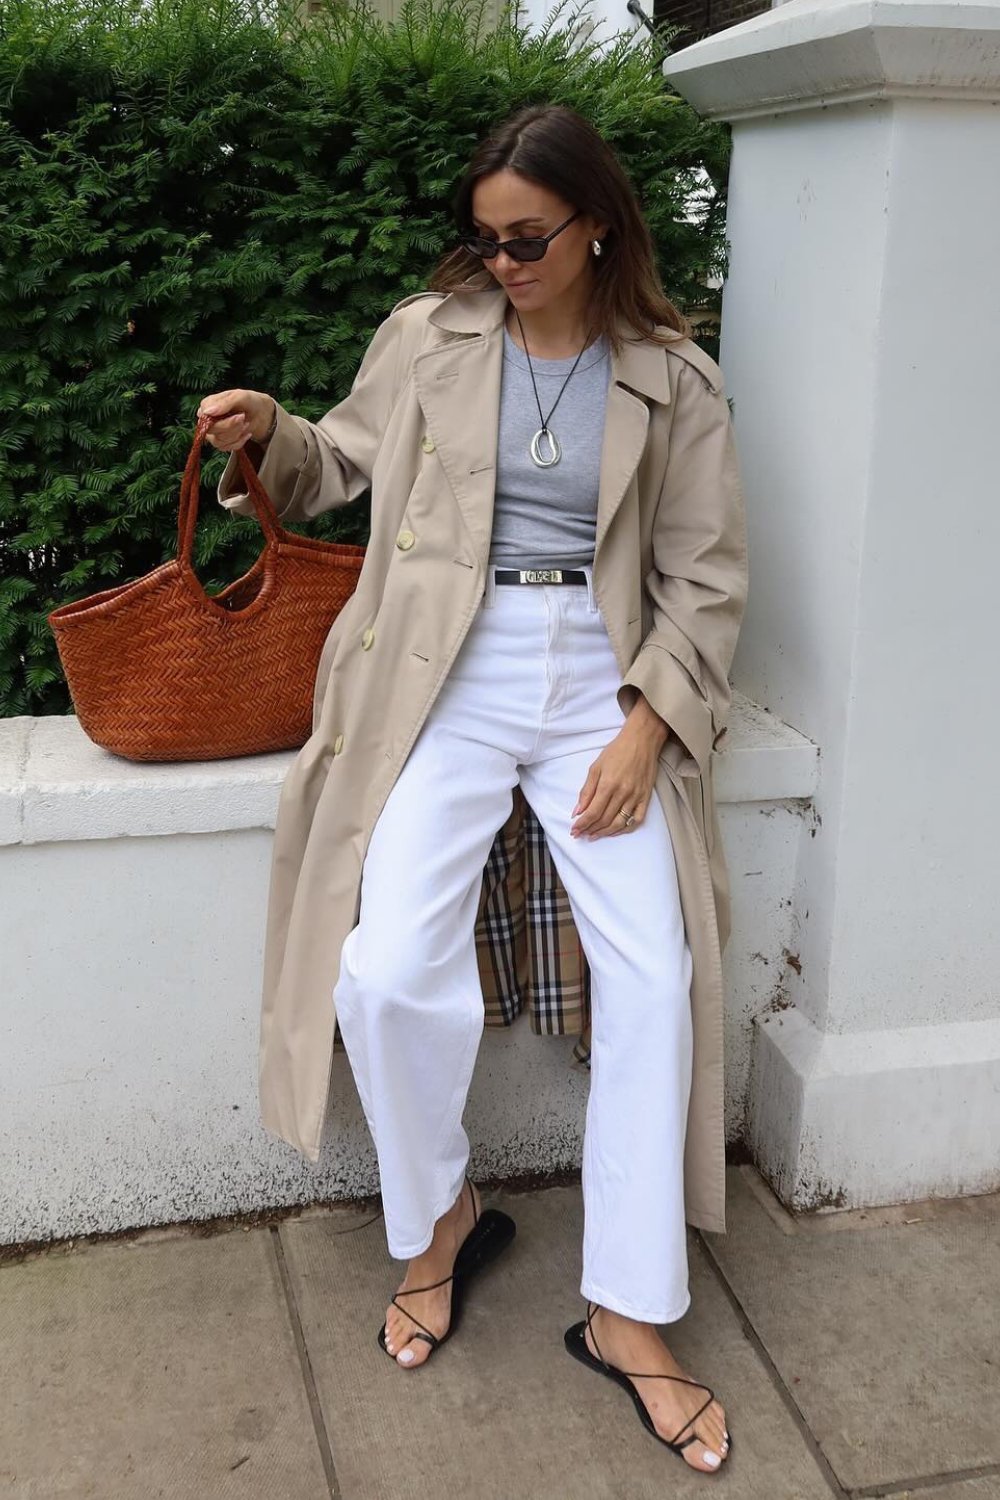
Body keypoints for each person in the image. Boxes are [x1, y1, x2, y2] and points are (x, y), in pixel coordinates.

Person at [199, 102, 745, 1475]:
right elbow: (338, 468)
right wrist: (267, 431)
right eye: (482, 237)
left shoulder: (671, 378)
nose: (497, 260)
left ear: (595, 224)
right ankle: (438, 1219)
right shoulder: (427, 339)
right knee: (382, 972)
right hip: (444, 670)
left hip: (599, 680)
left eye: (525, 238)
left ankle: (629, 1308)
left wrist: (647, 728)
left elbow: (708, 581)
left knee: (656, 973)